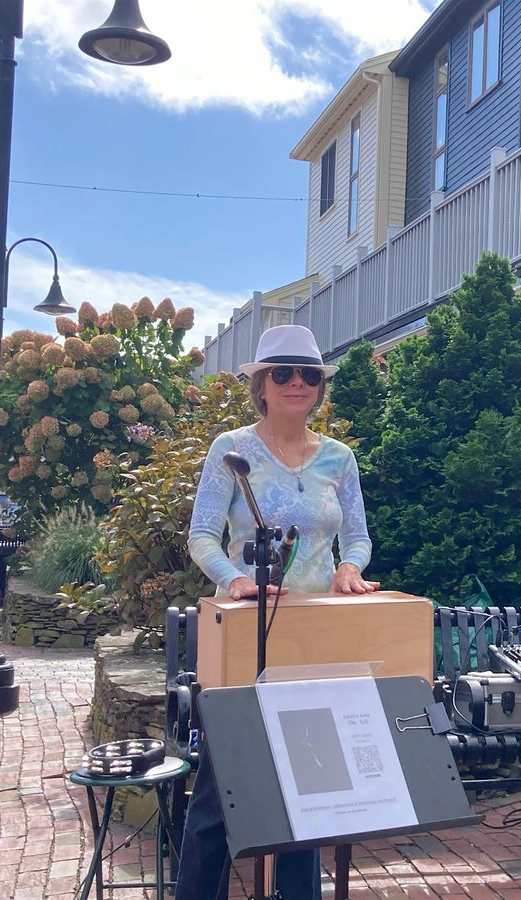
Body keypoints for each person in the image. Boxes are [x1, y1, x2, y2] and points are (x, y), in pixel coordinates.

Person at [176, 324, 379, 900]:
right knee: (222, 791)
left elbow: (358, 539)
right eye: (282, 373)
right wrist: (234, 580)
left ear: (319, 386)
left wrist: (349, 570)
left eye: (308, 374)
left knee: (309, 789)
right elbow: (202, 537)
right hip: (245, 633)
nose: (296, 383)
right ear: (261, 385)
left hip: (315, 640)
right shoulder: (231, 449)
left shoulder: (340, 458)